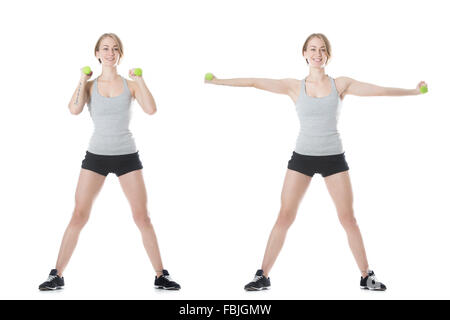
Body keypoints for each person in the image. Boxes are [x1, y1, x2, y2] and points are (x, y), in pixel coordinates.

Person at [205, 33, 427, 291]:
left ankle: (367, 276)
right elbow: (255, 82)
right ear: (304, 53)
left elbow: (378, 91)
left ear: (328, 55)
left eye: (322, 49)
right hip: (302, 158)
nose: (317, 54)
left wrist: (413, 91)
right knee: (285, 216)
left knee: (348, 219)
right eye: (312, 49)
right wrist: (218, 82)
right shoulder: (293, 86)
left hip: (334, 158)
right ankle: (262, 275)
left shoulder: (340, 84)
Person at [39, 33, 180, 291]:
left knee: (142, 217)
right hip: (96, 156)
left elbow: (151, 109)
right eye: (105, 48)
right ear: (97, 53)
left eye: (115, 49)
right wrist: (82, 79)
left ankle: (161, 275)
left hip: (127, 155)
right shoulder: (90, 85)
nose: (110, 53)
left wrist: (141, 79)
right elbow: (73, 109)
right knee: (79, 214)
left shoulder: (131, 84)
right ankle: (56, 275)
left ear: (120, 54)